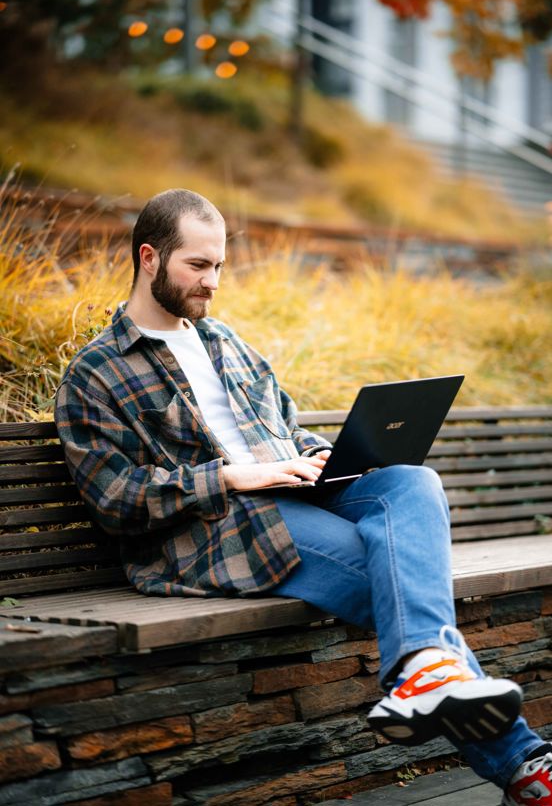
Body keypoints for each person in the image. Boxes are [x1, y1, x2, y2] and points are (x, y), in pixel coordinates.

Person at [55, 189, 551, 805]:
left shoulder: (226, 343)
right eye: (198, 266)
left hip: (293, 499)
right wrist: (231, 477)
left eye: (220, 268)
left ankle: (431, 677)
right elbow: (114, 498)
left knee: (410, 480)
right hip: (224, 528)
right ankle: (524, 764)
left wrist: (321, 457)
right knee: (395, 580)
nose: (212, 283)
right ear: (149, 258)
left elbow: (285, 426)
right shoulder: (96, 373)